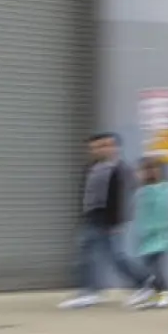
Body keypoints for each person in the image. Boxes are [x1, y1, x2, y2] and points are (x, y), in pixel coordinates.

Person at [59, 132, 146, 309]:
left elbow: (125, 197)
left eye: (106, 145)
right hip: (92, 217)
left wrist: (118, 221)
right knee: (85, 256)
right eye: (96, 147)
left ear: (115, 147)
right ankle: (89, 292)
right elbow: (86, 195)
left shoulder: (122, 170)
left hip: (110, 220)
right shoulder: (91, 168)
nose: (101, 149)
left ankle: (144, 284)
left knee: (117, 256)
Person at [128, 155, 168, 310]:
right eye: (145, 170)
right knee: (149, 265)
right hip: (146, 236)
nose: (149, 173)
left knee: (155, 265)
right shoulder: (143, 190)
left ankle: (165, 291)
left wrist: (160, 228)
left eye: (153, 169)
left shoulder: (166, 188)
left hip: (160, 235)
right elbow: (141, 212)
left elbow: (166, 211)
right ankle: (154, 291)